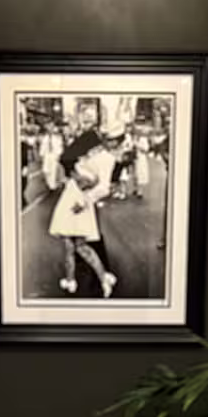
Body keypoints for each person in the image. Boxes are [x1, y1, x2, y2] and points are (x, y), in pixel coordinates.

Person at [49, 124, 122, 298]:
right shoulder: (94, 149)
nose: (107, 140)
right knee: (74, 245)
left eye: (111, 139)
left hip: (78, 199)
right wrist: (74, 175)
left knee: (76, 245)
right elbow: (67, 158)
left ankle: (96, 278)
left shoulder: (107, 158)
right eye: (106, 137)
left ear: (117, 142)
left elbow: (103, 187)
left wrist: (84, 200)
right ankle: (73, 280)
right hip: (73, 195)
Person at [39, 122, 64, 192]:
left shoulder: (57, 137)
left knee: (53, 170)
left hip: (54, 155)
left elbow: (60, 145)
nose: (50, 129)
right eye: (48, 127)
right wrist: (42, 154)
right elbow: (43, 146)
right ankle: (49, 183)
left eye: (51, 127)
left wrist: (59, 154)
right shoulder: (45, 138)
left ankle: (52, 186)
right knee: (46, 170)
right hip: (47, 155)